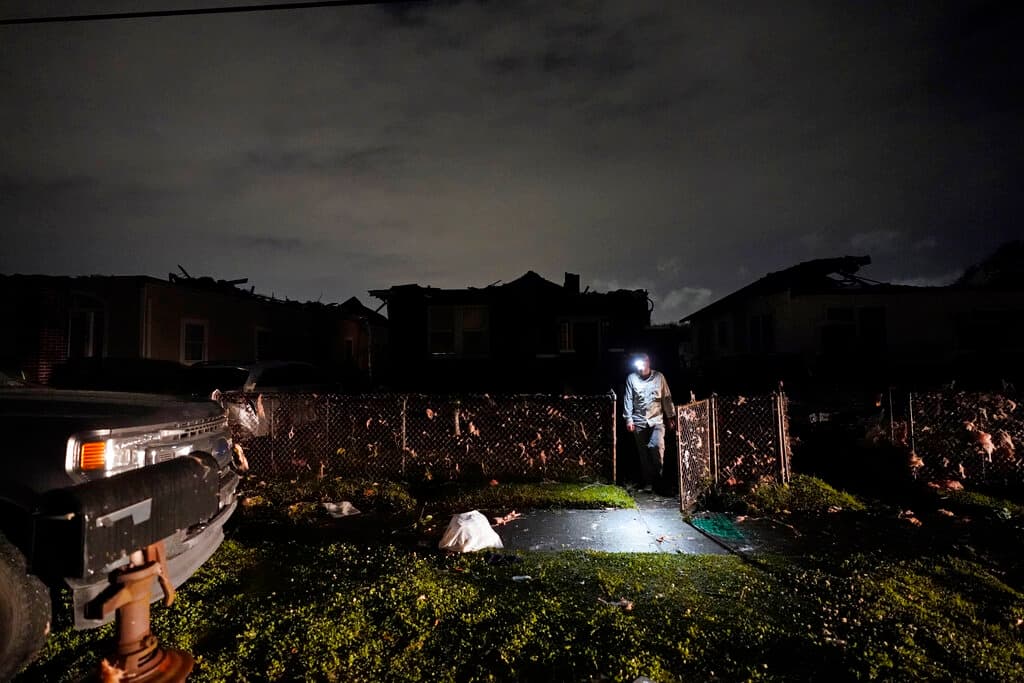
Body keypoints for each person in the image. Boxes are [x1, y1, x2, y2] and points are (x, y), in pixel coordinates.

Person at [623, 353, 675, 493]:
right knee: (643, 454)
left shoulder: (659, 377)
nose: (640, 367)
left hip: (656, 420)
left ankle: (659, 479)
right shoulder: (632, 379)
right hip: (639, 421)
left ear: (648, 363)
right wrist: (628, 418)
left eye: (643, 363)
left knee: (656, 446)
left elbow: (666, 397)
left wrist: (670, 416)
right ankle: (649, 483)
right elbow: (628, 399)